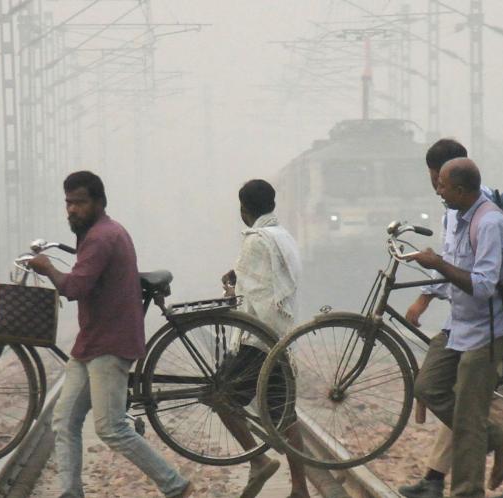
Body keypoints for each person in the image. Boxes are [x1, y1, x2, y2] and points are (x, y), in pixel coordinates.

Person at [29, 171, 192, 498]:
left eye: (80, 203)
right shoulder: (96, 233)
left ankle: (174, 485)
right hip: (90, 343)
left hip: (109, 344)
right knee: (64, 423)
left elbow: (74, 287)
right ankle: (70, 494)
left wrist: (47, 267)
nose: (72, 210)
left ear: (99, 203)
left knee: (112, 428)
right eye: (68, 203)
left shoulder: (102, 237)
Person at [399, 139, 503, 498]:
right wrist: (425, 295)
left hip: (488, 327)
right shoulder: (458, 213)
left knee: (470, 418)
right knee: (433, 389)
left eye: (440, 184)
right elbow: (453, 259)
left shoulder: (489, 217)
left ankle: (479, 485)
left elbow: (482, 284)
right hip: (461, 323)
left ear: (457, 183)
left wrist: (437, 267)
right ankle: (496, 449)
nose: (437, 191)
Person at [219, 179, 311, 498]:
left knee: (220, 397)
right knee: (285, 413)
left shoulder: (256, 240)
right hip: (280, 339)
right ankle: (300, 488)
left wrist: (234, 292)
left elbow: (255, 297)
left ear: (243, 209)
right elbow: (269, 281)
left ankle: (258, 460)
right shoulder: (282, 236)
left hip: (258, 341)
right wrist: (239, 276)